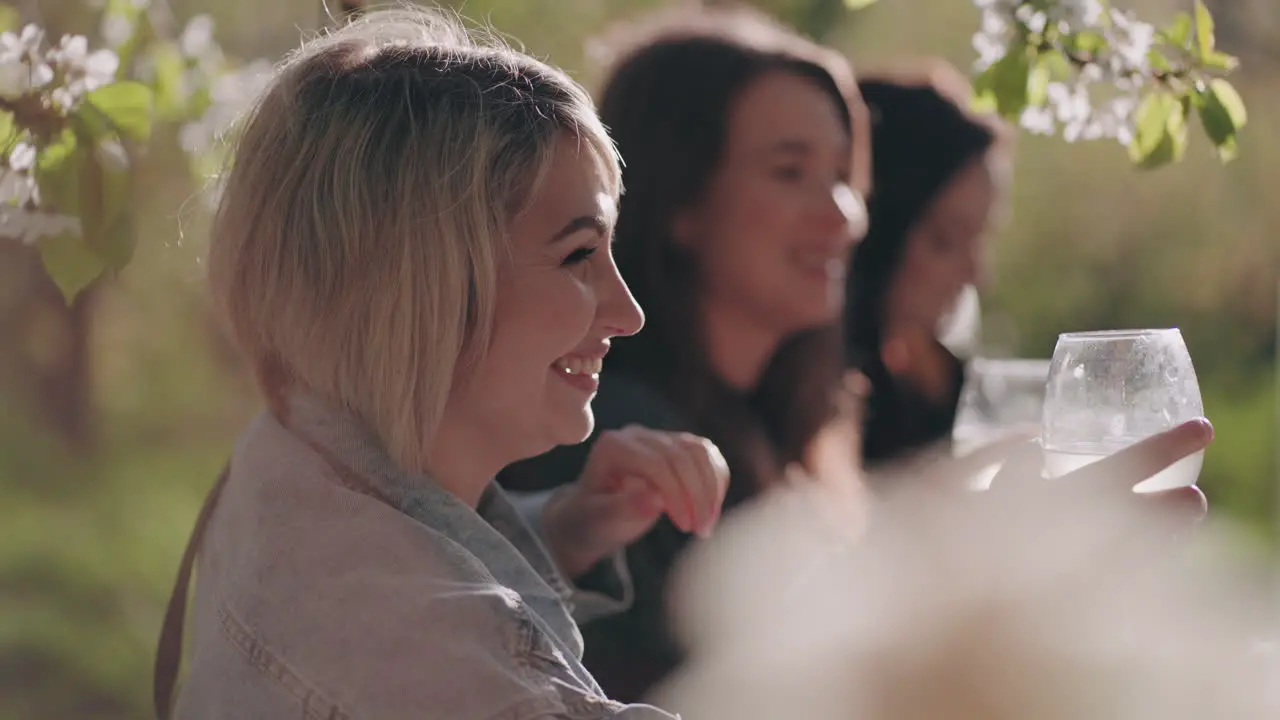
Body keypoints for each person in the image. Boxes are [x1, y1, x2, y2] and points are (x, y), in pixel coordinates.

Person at [153, 8, 730, 719]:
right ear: (420, 284)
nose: (627, 313)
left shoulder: (293, 444)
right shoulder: (467, 674)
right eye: (579, 254)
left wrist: (564, 529)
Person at [498, 5, 874, 702]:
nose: (843, 215)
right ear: (681, 201)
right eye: (791, 172)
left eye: (843, 175)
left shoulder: (777, 427)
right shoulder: (618, 444)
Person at [845, 64, 1013, 471]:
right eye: (945, 240)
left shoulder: (937, 385)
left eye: (981, 239)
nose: (975, 274)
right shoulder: (812, 399)